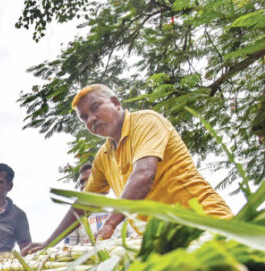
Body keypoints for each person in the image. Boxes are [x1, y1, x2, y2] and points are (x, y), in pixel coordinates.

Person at [23, 84, 233, 255]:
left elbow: (144, 174)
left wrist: (111, 223)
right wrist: (48, 243)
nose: (91, 119)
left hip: (207, 225)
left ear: (115, 103)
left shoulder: (146, 122)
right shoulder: (103, 157)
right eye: (85, 118)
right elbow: (85, 204)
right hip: (167, 243)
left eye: (95, 108)